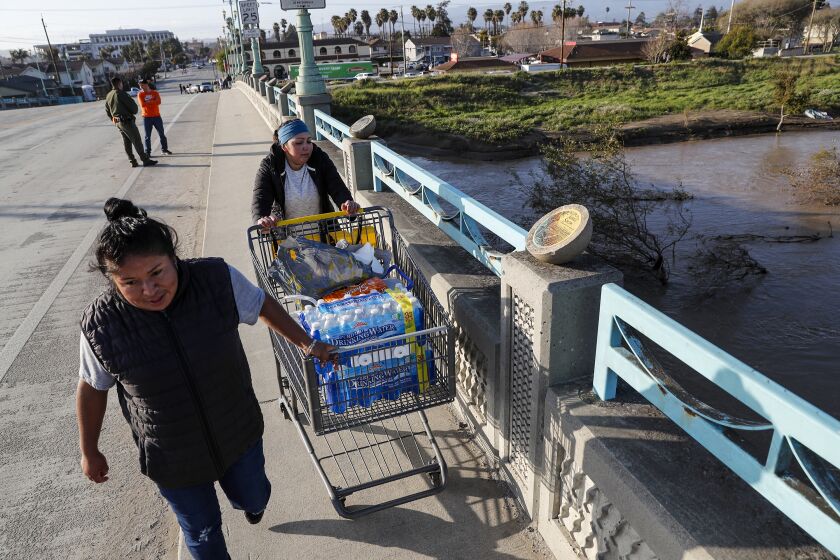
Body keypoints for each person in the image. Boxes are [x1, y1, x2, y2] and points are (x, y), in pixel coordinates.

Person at [76, 198, 336, 560]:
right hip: (171, 454)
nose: (149, 291)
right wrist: (89, 449)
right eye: (130, 282)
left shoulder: (215, 279)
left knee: (254, 495)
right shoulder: (101, 325)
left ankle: (250, 503)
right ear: (112, 281)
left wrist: (306, 342)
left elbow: (261, 304)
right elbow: (92, 386)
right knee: (201, 531)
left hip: (237, 428)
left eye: (157, 273)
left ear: (174, 258)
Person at [252, 118, 360, 227]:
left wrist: (347, 203)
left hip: (324, 235)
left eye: (309, 141)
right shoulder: (271, 166)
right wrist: (261, 220)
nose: (306, 147)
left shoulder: (319, 158)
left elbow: (337, 186)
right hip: (287, 239)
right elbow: (261, 196)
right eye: (299, 143)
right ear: (284, 147)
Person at [105, 78, 157, 168]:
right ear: (119, 83)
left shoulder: (109, 95)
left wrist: (114, 120)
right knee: (136, 140)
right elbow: (134, 109)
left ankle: (132, 161)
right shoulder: (120, 93)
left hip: (118, 122)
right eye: (121, 83)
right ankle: (145, 160)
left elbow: (107, 111)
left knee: (127, 142)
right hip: (126, 121)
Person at [137, 79, 172, 158]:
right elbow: (142, 104)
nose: (141, 87)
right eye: (140, 85)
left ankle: (164, 149)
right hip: (146, 117)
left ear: (146, 85)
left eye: (142, 85)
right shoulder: (140, 94)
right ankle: (148, 152)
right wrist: (153, 101)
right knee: (147, 136)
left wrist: (148, 102)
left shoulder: (155, 92)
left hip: (157, 116)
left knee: (162, 134)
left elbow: (159, 102)